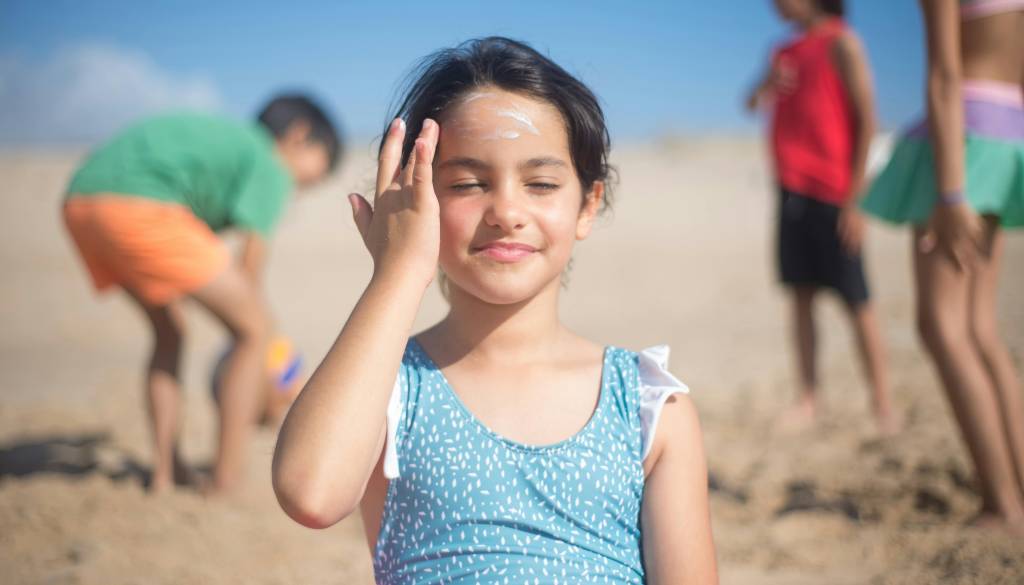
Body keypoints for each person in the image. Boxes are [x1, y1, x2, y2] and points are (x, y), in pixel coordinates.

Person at [272, 37, 718, 583]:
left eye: (541, 184)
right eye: (467, 184)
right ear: (415, 199)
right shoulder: (386, 386)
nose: (506, 211)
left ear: (588, 204)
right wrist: (397, 273)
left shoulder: (647, 406)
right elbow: (311, 494)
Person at [62, 94, 341, 494]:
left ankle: (166, 473)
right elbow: (249, 276)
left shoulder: (230, 146)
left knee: (170, 332)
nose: (314, 183)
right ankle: (226, 479)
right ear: (298, 136)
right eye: (322, 165)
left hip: (82, 201)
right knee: (255, 329)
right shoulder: (270, 162)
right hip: (140, 204)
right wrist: (267, 376)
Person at [862, 0, 1024, 532]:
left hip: (962, 141)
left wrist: (951, 193)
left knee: (942, 327)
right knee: (980, 329)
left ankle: (1002, 504)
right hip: (1007, 133)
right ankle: (1016, 487)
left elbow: (945, 76)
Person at [746, 0, 896, 433]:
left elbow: (867, 120)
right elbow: (751, 103)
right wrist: (766, 83)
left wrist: (856, 200)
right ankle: (809, 399)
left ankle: (883, 403)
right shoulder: (782, 51)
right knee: (800, 296)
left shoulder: (843, 43)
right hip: (790, 191)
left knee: (856, 300)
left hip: (834, 192)